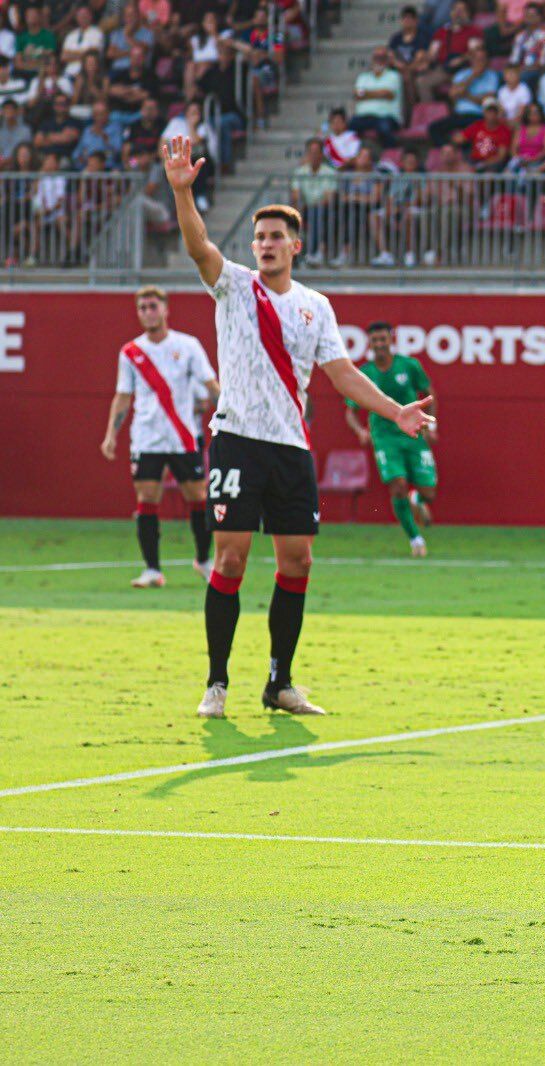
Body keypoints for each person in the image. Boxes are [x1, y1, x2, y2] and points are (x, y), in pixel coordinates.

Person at [160, 135, 435, 719]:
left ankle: (280, 683)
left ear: (296, 246)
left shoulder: (316, 305)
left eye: (276, 237)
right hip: (236, 440)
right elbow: (198, 244)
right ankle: (216, 683)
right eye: (260, 237)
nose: (265, 244)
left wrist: (395, 411)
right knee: (230, 560)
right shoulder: (233, 284)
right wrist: (182, 191)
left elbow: (342, 376)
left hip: (290, 448)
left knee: (298, 563)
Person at [99, 286, 220, 589]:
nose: (148, 312)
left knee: (198, 496)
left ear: (166, 309)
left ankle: (203, 560)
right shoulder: (130, 352)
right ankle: (153, 570)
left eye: (153, 306)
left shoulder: (188, 345)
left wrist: (229, 409)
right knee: (147, 498)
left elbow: (210, 384)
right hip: (146, 437)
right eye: (142, 308)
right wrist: (111, 434)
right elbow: (123, 396)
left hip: (183, 437)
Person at [344, 322, 438, 556]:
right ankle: (415, 539)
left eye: (383, 339)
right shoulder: (365, 374)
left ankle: (417, 500)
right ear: (370, 344)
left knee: (429, 492)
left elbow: (428, 395)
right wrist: (360, 431)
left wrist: (431, 424)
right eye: (375, 340)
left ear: (391, 340)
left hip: (413, 433)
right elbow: (350, 411)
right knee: (397, 487)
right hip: (384, 437)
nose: (379, 344)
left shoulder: (409, 366)